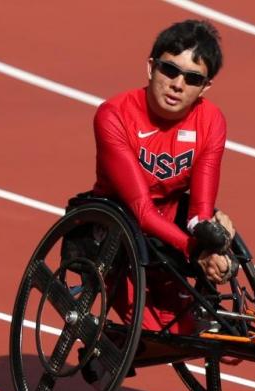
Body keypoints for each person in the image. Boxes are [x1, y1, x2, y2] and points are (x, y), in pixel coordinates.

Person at [91, 19, 233, 334]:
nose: (178, 84)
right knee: (156, 330)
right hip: (118, 225)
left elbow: (199, 210)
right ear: (151, 67)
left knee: (218, 340)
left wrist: (209, 243)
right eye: (170, 70)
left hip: (170, 223)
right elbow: (140, 210)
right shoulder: (113, 115)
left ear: (205, 87)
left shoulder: (211, 121)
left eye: (193, 78)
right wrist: (194, 250)